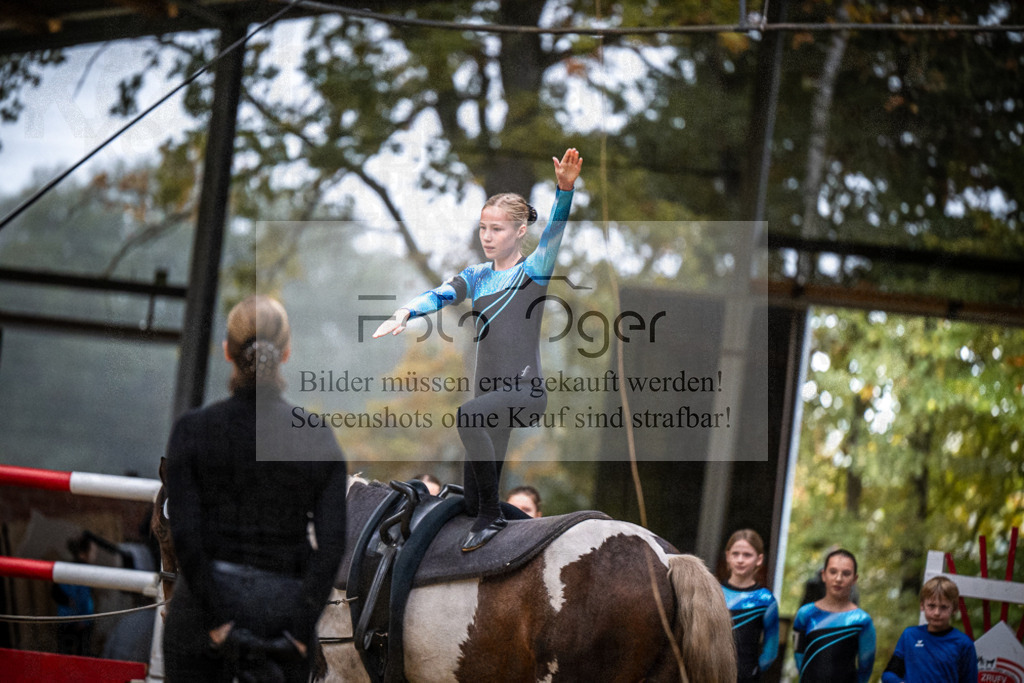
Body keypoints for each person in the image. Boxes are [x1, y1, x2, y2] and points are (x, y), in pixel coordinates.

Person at [374, 148, 583, 552]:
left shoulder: (534, 270)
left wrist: (565, 191)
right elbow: (441, 294)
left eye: (498, 229)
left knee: (467, 418)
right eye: (484, 228)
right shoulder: (476, 276)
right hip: (491, 399)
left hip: (525, 393)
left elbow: (556, 229)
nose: (488, 237)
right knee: (471, 499)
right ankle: (512, 525)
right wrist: (405, 311)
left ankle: (493, 516)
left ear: (520, 231)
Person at [163, 295, 348, 683]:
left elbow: (185, 536)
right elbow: (331, 546)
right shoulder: (316, 437)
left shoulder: (192, 431)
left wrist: (217, 623)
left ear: (227, 351)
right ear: (286, 353)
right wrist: (300, 631)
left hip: (203, 609)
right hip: (282, 612)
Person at [792, 549, 875, 683]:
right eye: (833, 572)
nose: (838, 579)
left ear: (854, 579)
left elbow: (865, 667)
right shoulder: (805, 614)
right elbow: (799, 657)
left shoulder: (862, 620)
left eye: (846, 574)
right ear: (823, 575)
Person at [882, 576, 978, 683]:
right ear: (922, 606)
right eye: (931, 606)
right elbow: (889, 673)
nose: (937, 612)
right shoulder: (910, 635)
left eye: (944, 607)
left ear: (954, 609)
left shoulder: (964, 644)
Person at [720, 529, 778, 682]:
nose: (740, 560)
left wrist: (753, 671)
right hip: (712, 675)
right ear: (727, 556)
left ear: (759, 559)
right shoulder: (714, 593)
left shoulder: (765, 600)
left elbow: (771, 650)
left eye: (747, 555)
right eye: (735, 554)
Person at [52, 532, 96, 655]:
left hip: (65, 620)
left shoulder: (64, 569)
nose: (94, 556)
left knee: (65, 654)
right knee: (82, 655)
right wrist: (82, 618)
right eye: (93, 552)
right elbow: (83, 596)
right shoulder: (86, 571)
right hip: (80, 621)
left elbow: (55, 593)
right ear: (84, 553)